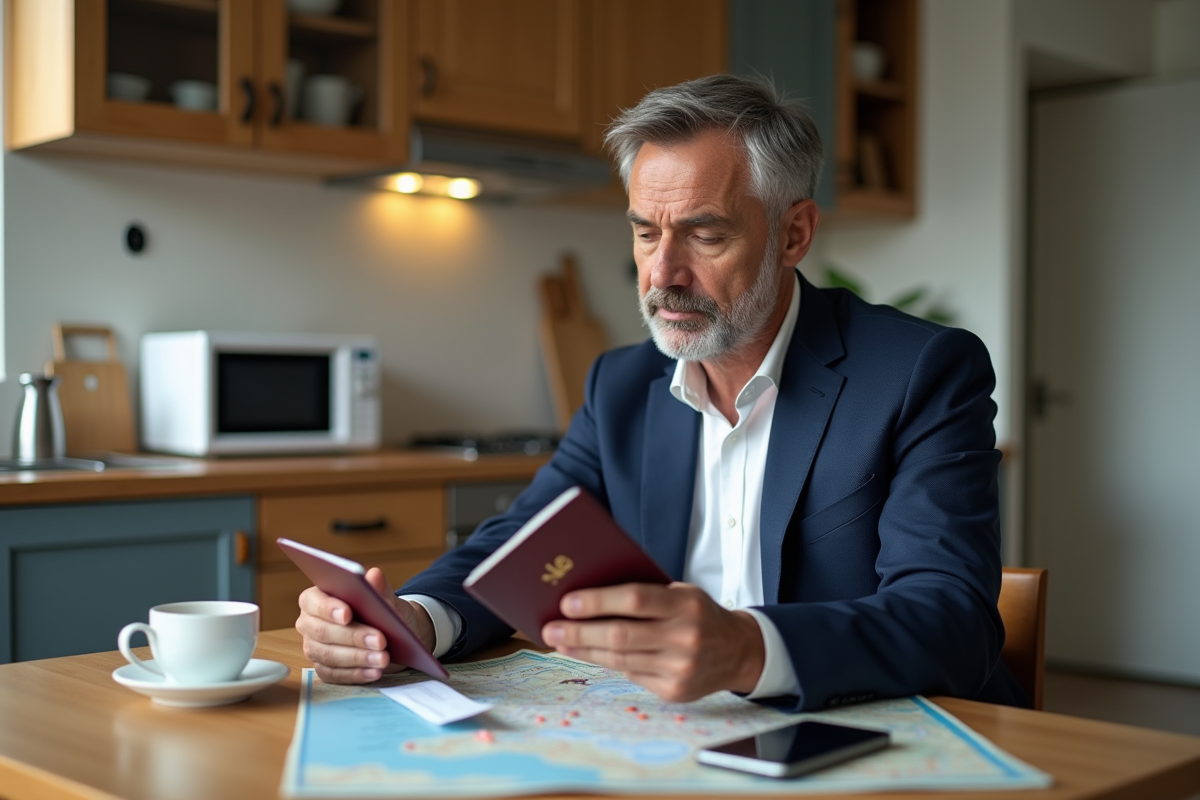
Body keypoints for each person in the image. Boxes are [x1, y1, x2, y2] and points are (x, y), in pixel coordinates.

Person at [296, 74, 1027, 710]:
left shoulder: (921, 370)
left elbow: (951, 621)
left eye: (704, 236)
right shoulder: (623, 383)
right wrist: (411, 621)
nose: (662, 274)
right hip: (680, 743)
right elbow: (516, 547)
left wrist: (747, 649)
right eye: (646, 234)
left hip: (874, 737)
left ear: (794, 233)